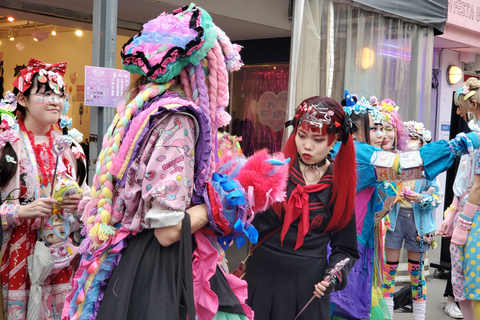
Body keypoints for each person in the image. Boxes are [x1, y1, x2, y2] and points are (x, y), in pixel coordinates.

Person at [63, 5, 253, 320]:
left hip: (126, 259)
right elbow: (167, 229)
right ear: (201, 68)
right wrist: (218, 205)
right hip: (160, 270)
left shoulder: (140, 109)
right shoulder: (178, 118)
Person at [330, 90, 480, 320]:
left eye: (384, 128)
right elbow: (405, 165)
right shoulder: (360, 153)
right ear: (355, 129)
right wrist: (458, 144)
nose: (381, 134)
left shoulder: (348, 150)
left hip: (354, 239)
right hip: (348, 242)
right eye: (374, 128)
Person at [244, 96, 359, 320]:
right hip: (262, 275)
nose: (307, 146)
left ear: (334, 139)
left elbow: (345, 249)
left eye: (317, 139)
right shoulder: (273, 171)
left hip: (309, 283)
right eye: (302, 135)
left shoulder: (338, 185)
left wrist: (332, 277)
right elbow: (245, 219)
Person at [0, 59, 88, 319]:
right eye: (46, 94)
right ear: (23, 100)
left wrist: (82, 203)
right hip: (19, 250)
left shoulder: (72, 147)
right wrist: (19, 212)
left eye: (60, 95)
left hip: (63, 251)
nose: (55, 101)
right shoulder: (6, 145)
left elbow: (88, 196)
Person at [382, 120, 441, 320]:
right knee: (388, 272)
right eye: (408, 138)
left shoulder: (428, 167)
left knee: (417, 275)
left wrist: (420, 198)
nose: (411, 142)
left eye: (415, 139)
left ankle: (419, 317)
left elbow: (436, 199)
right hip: (394, 220)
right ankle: (387, 315)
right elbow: (382, 190)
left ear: (422, 142)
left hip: (419, 224)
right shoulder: (393, 162)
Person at [440, 77, 480, 320]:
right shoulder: (473, 135)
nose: (458, 112)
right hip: (465, 213)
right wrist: (452, 212)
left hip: (474, 221)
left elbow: (477, 187)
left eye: (460, 106)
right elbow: (464, 182)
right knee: (460, 281)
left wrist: (463, 223)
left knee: (471, 281)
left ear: (473, 104)